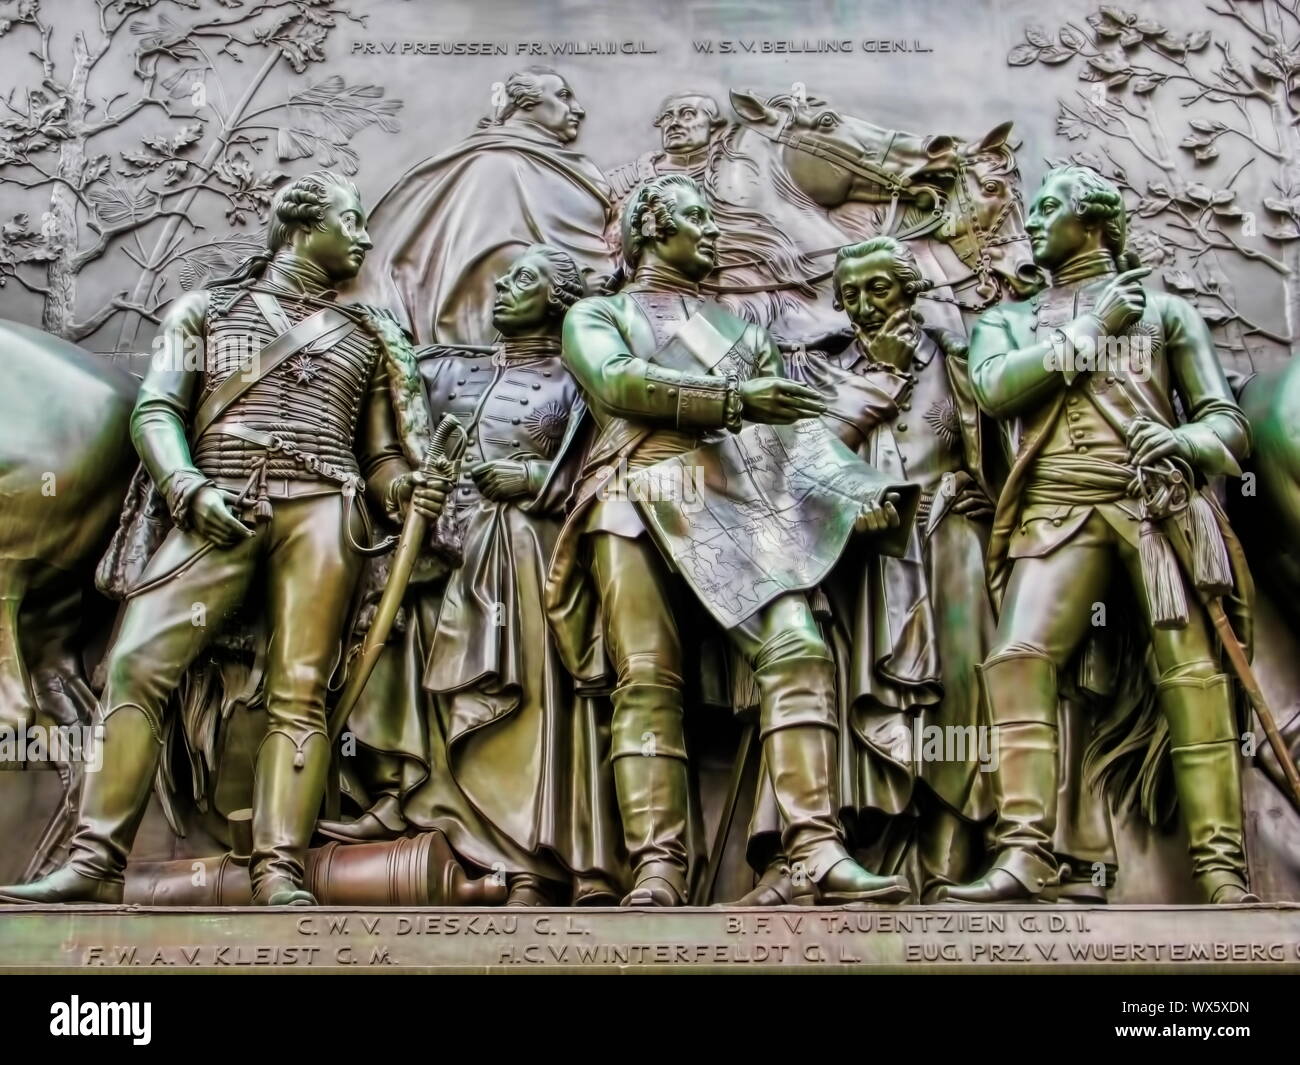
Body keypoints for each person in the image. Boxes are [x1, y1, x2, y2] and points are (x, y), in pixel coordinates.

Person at [0, 172, 445, 906]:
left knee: (301, 689)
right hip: (218, 500)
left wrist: (402, 489)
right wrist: (185, 486)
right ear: (301, 226)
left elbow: (380, 458)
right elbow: (156, 411)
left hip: (325, 514)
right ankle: (97, 859)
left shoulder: (367, 336)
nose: (364, 238)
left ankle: (279, 869)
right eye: (350, 221)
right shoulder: (206, 310)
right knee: (136, 665)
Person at [545, 173, 914, 907]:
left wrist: (851, 494)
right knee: (647, 680)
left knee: (798, 647)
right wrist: (733, 398)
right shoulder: (597, 313)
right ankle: (658, 865)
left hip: (739, 504)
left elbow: (791, 439)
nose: (712, 233)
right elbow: (616, 384)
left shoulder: (744, 334)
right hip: (636, 493)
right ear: (653, 229)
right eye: (695, 219)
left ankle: (813, 848)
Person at [939, 166, 1258, 905]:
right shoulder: (1008, 320)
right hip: (1056, 512)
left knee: (1194, 678)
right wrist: (1091, 329)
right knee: (1017, 658)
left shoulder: (1169, 313)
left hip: (1154, 509)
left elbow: (1228, 426)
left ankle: (1221, 870)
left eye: (1051, 207)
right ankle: (1025, 851)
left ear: (1096, 221)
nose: (1034, 219)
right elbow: (994, 388)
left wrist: (1181, 439)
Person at [320, 245, 625, 905]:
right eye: (506, 276)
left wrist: (540, 480)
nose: (504, 286)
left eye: (526, 279)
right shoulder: (447, 371)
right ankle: (408, 794)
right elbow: (382, 439)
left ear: (559, 297)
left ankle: (530, 861)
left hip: (531, 556)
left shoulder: (583, 381)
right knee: (404, 628)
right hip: (438, 555)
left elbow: (616, 471)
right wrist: (404, 489)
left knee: (525, 690)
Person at [743, 236, 999, 904]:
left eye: (877, 289)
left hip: (949, 537)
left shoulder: (959, 357)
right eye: (849, 293)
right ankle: (842, 850)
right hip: (859, 552)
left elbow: (1002, 439)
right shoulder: (825, 369)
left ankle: (952, 859)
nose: (861, 304)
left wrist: (991, 493)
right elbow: (794, 466)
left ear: (909, 290)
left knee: (960, 692)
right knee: (857, 691)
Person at [347, 67, 616, 346]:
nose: (579, 109)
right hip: (498, 347)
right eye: (563, 96)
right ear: (526, 102)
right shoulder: (496, 165)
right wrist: (576, 284)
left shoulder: (558, 165)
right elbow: (485, 257)